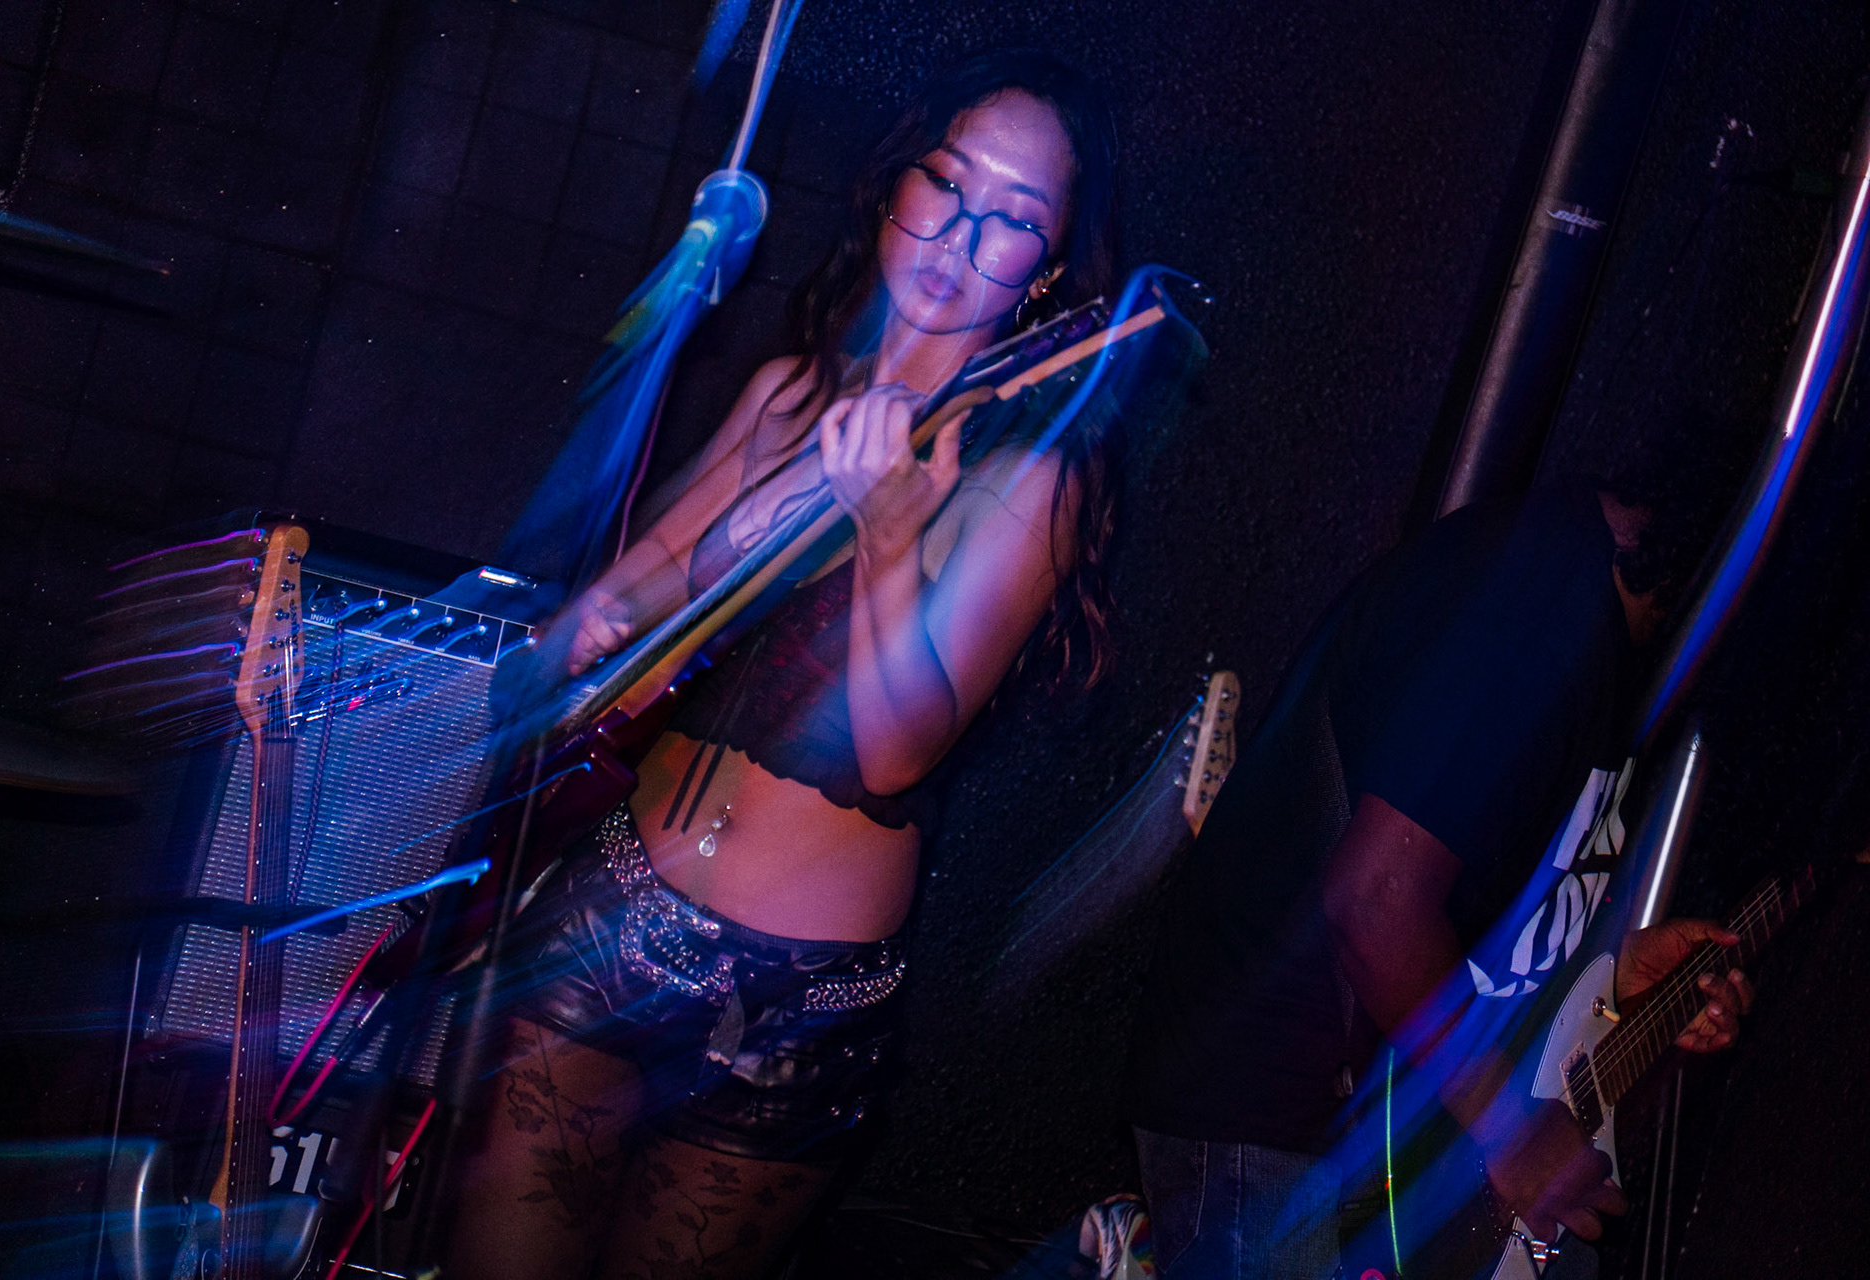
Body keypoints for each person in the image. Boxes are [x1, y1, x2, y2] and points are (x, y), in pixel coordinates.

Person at [447, 50, 1126, 1280]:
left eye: (1014, 219)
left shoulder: (1029, 474)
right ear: (897, 185)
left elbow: (899, 748)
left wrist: (887, 533)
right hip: (609, 914)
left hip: (794, 1002)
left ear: (1045, 272)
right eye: (948, 183)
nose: (963, 233)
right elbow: (636, 589)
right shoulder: (785, 393)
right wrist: (572, 639)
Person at [1124, 476, 1757, 1279]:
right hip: (1275, 1123)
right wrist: (1512, 1128)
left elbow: (1473, 925)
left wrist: (1613, 976)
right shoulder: (1539, 612)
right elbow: (1376, 902)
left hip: (1377, 1134)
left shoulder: (1603, 633)